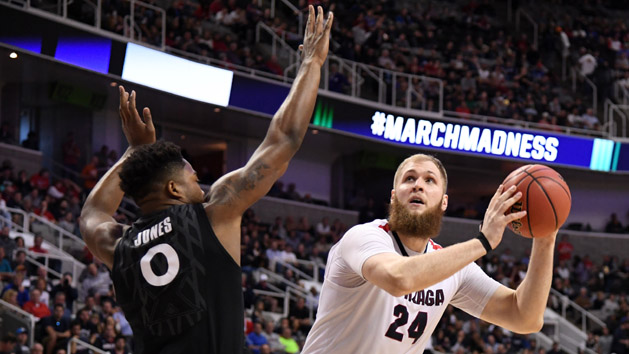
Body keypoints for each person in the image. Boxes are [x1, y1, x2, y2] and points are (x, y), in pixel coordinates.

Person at [79, 6, 333, 354]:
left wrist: (134, 152)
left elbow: (91, 215)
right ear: (174, 189)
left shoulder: (120, 245)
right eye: (195, 178)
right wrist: (311, 65)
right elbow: (284, 139)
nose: (202, 185)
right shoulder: (213, 214)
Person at [301, 154, 557, 353]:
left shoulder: (452, 268)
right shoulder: (365, 237)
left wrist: (546, 240)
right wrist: (483, 241)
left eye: (429, 180)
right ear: (393, 197)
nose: (418, 186)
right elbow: (398, 279)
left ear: (444, 202)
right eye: (409, 179)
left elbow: (525, 318)